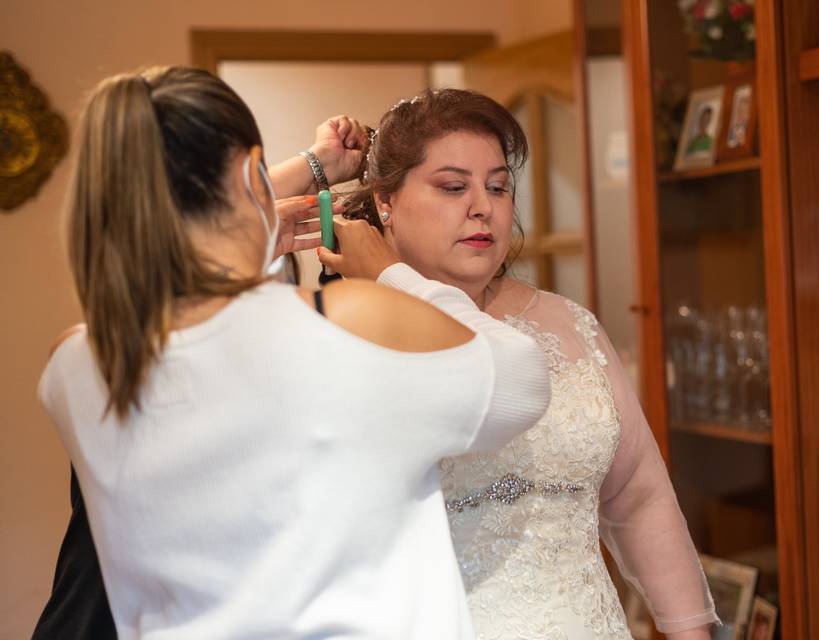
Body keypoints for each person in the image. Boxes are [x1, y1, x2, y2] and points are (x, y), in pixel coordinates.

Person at [36, 67, 550, 639]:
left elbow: (168, 300)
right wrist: (392, 273)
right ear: (249, 172)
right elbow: (522, 381)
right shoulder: (348, 327)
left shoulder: (76, 367)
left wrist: (260, 216)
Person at [320, 88, 719, 639]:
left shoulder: (569, 323)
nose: (482, 206)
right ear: (385, 203)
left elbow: (640, 494)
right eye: (453, 186)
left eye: (499, 186)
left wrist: (689, 632)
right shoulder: (348, 333)